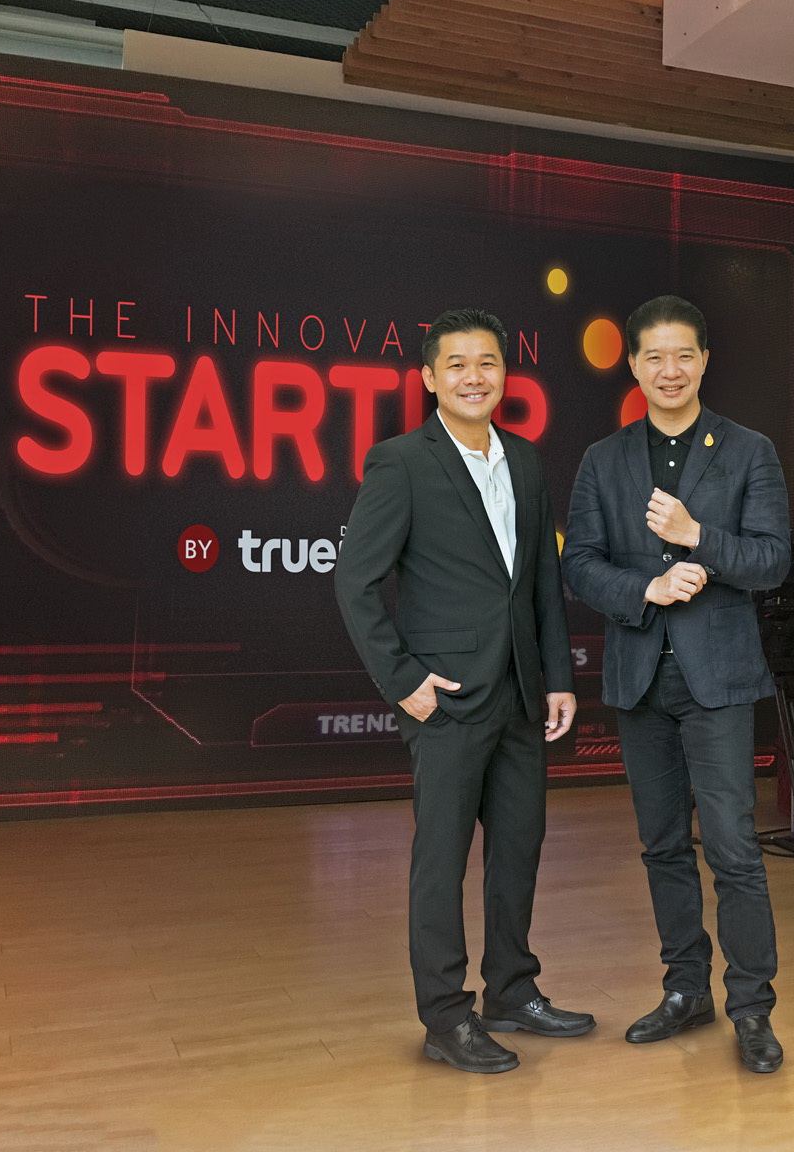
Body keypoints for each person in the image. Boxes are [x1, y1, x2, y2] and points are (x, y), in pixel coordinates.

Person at [334, 308, 587, 1074]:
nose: (474, 377)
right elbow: (354, 581)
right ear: (429, 378)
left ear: (504, 374)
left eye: (487, 363)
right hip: (444, 699)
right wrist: (402, 680)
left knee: (518, 849)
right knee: (441, 863)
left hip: (520, 694)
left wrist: (558, 677)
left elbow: (539, 581)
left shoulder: (526, 460)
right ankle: (446, 1017)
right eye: (457, 365)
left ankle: (512, 990)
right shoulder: (401, 463)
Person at [560, 295, 791, 1074]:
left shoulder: (749, 450)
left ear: (704, 361)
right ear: (632, 364)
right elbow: (578, 563)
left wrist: (698, 537)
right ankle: (686, 990)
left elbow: (772, 561)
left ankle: (752, 1008)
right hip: (639, 678)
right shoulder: (604, 459)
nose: (669, 369)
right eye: (654, 356)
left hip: (717, 679)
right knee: (662, 846)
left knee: (733, 849)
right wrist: (646, 590)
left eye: (683, 354)